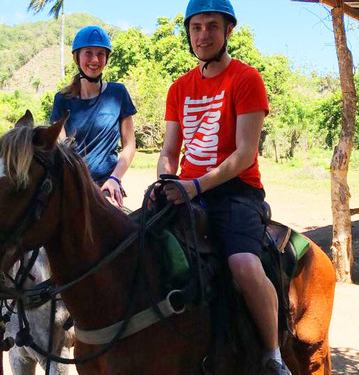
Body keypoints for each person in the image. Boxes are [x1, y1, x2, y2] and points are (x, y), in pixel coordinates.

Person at [152, 1, 291, 374]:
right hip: (184, 188)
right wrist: (166, 179)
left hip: (235, 192)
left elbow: (245, 154)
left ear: (228, 31)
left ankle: (272, 354)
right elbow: (169, 149)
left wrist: (196, 186)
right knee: (136, 246)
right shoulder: (179, 87)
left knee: (243, 265)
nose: (203, 35)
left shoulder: (246, 79)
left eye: (212, 26)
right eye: (196, 27)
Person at [50, 25, 137, 208]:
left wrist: (115, 179)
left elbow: (129, 146)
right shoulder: (62, 100)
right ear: (77, 57)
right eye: (88, 53)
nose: (95, 60)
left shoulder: (118, 93)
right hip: (73, 186)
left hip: (108, 185)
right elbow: (64, 150)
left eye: (100, 54)